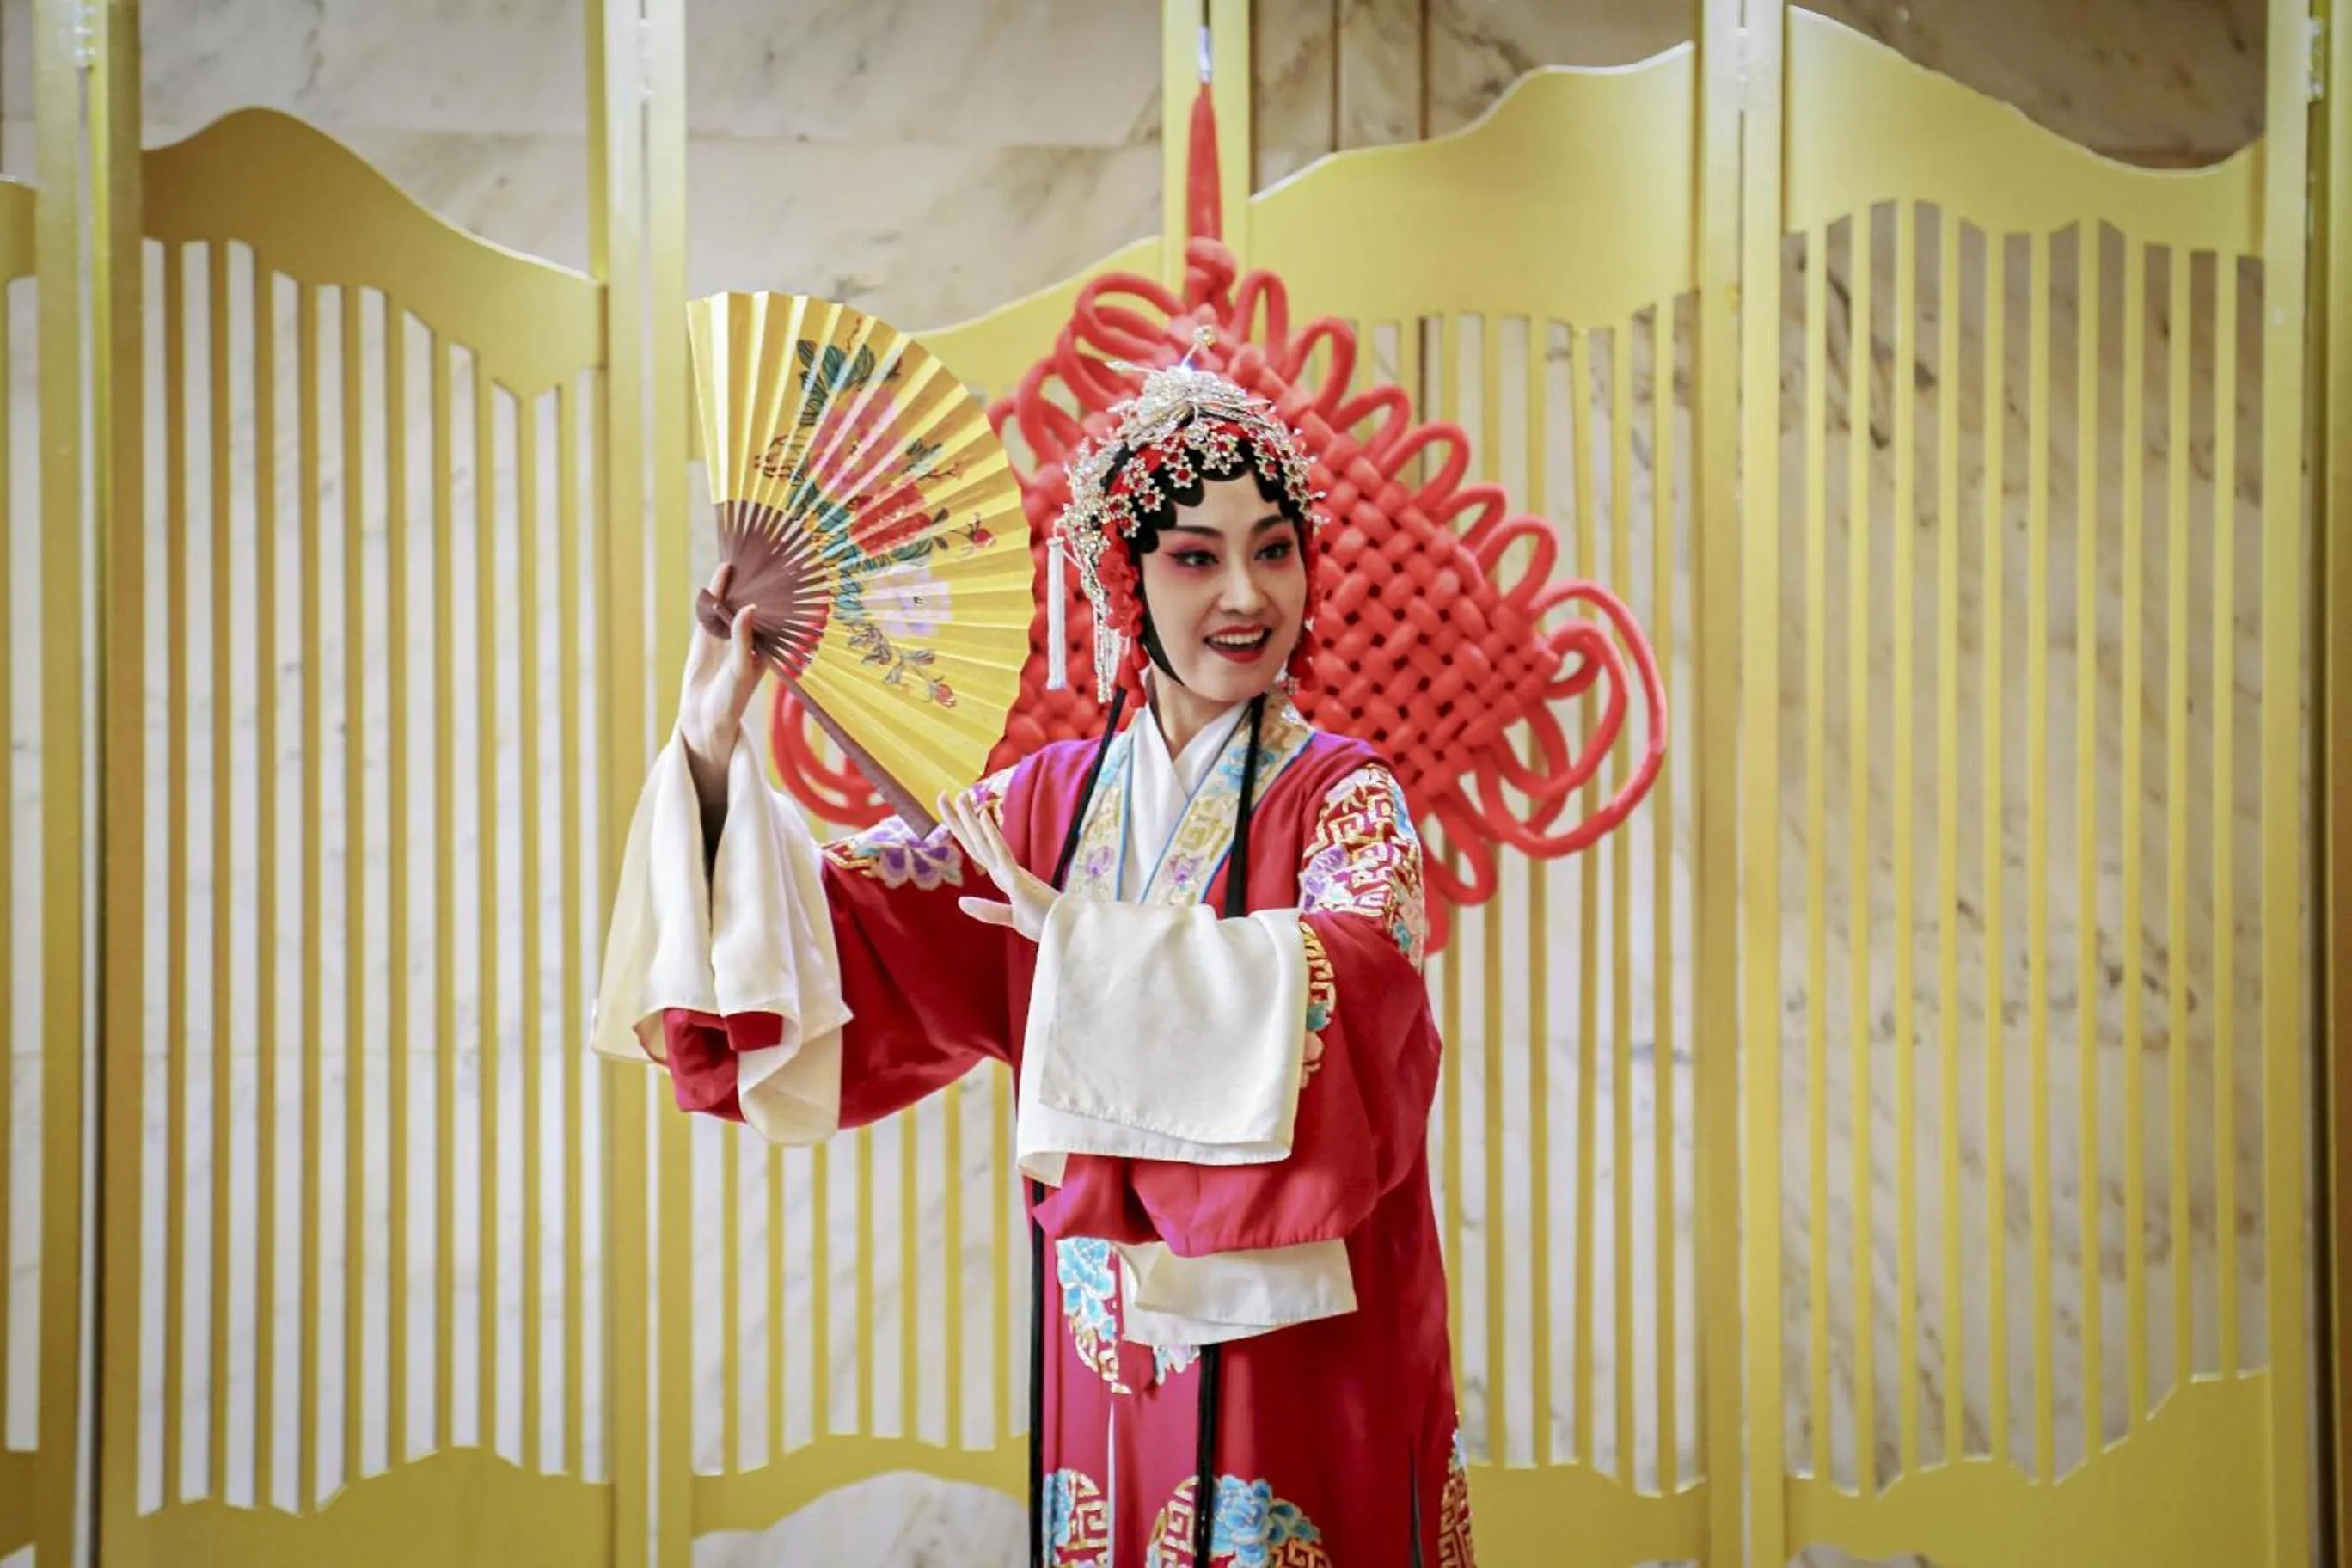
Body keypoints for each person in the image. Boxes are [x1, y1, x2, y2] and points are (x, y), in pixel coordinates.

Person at [595, 359, 1474, 1567]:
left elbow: (1359, 987)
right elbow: (840, 944)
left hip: (1306, 1346)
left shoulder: (1348, 800)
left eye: (1274, 550)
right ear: (1123, 577)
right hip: (1101, 1345)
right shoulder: (1041, 809)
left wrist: (1077, 947)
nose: (1246, 594)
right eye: (1196, 556)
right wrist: (710, 754)